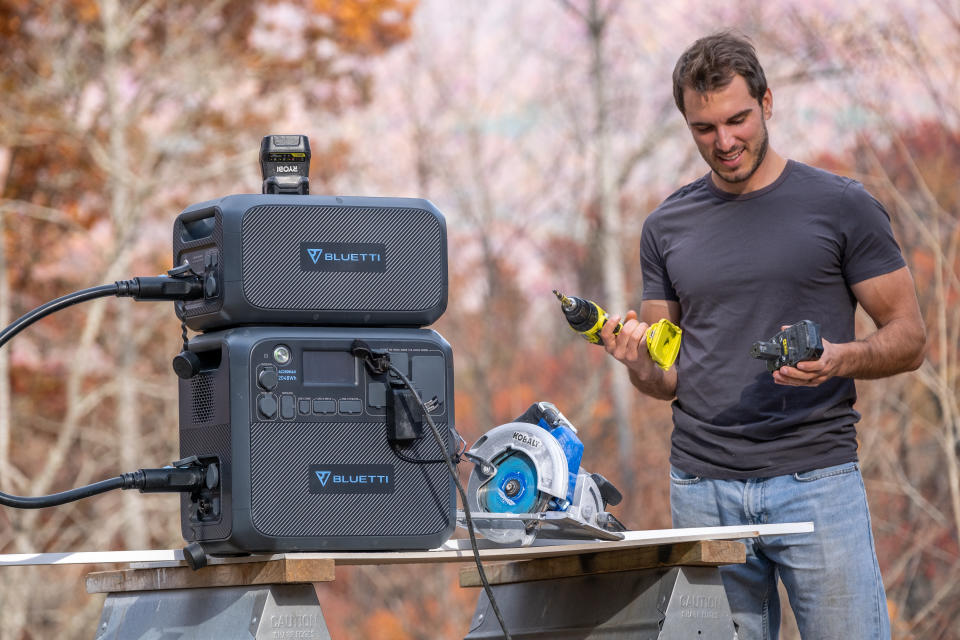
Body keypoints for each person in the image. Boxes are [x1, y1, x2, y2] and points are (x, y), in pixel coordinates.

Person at [600, 31, 925, 639]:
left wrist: (838, 359)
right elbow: (665, 374)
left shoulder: (842, 206)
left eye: (738, 119)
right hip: (702, 492)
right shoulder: (665, 227)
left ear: (768, 103)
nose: (724, 142)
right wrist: (637, 364)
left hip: (817, 484)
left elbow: (909, 338)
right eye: (704, 128)